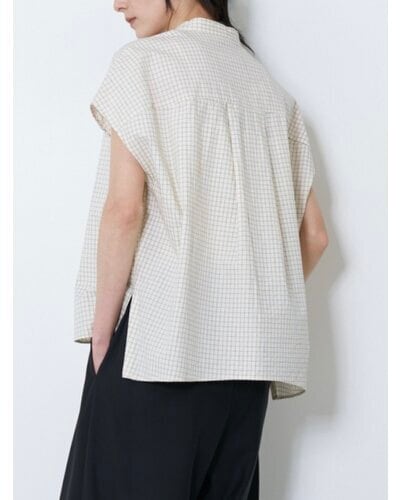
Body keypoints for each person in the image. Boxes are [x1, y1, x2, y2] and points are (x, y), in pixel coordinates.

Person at [60, 0, 329, 498]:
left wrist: (101, 342)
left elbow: (124, 211)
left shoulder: (144, 63)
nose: (117, 4)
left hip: (154, 357)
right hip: (245, 381)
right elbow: (315, 236)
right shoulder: (271, 93)